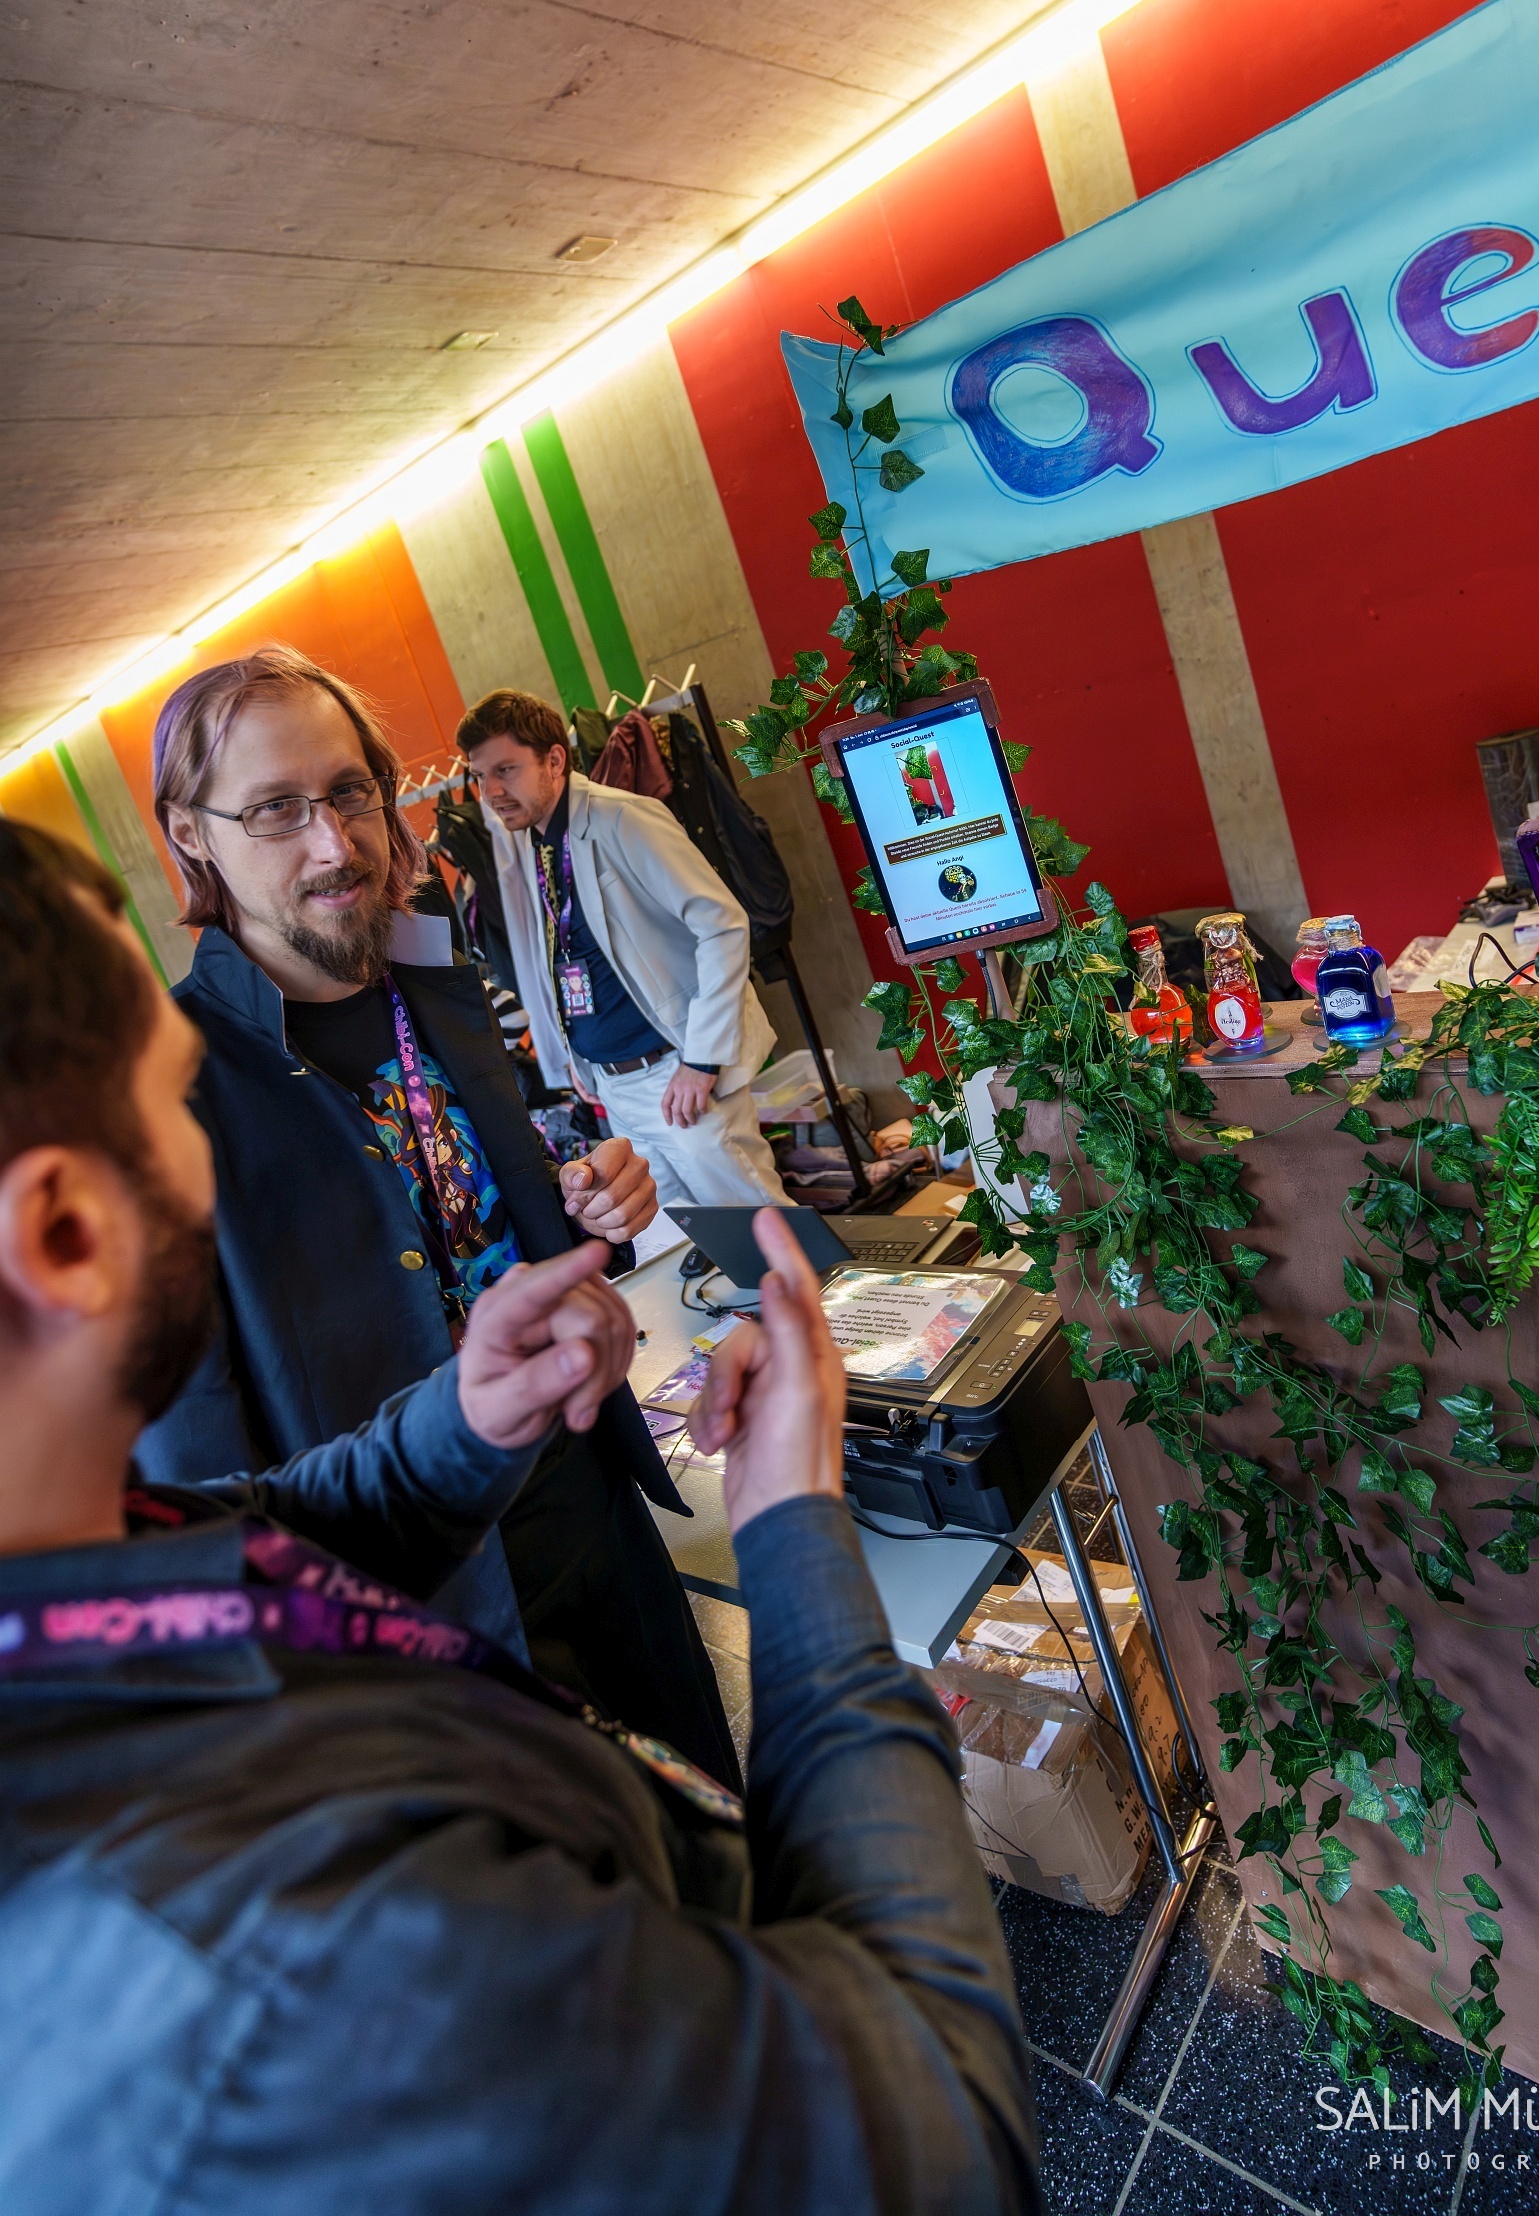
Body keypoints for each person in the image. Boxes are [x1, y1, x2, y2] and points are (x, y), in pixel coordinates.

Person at [0, 821, 1038, 2214]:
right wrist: (798, 1532)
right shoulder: (301, 1952)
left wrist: (460, 1421)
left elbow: (255, 1543)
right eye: (171, 1107)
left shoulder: (69, 1551)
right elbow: (937, 2133)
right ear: (64, 1232)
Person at [142, 643, 738, 1789]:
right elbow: (194, 1481)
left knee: (711, 1832)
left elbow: (480, 1214)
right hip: (421, 1618)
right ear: (190, 832)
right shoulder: (165, 1096)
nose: (333, 843)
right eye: (275, 809)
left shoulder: (437, 989)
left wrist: (592, 1199)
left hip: (592, 1509)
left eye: (349, 792)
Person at [455, 688, 791, 1211]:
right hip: (614, 1087)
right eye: (481, 776)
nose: (492, 791)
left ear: (555, 760)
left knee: (763, 1228)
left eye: (506, 770)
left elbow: (722, 926)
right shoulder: (530, 841)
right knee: (684, 1238)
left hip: (678, 1075)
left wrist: (701, 1060)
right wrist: (579, 1061)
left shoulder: (623, 817)